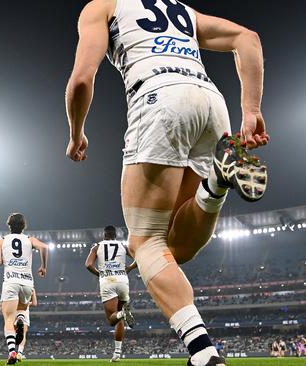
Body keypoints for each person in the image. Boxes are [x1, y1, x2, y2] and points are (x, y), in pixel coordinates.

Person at [65, 1, 268, 365]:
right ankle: (216, 184)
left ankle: (202, 353)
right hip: (211, 103)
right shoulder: (183, 10)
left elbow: (81, 78)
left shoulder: (102, 6)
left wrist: (76, 133)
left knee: (143, 242)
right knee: (176, 248)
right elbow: (247, 37)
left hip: (159, 100)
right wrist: (251, 110)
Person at [0, 213, 48, 365]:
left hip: (11, 281)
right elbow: (44, 247)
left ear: (8, 225)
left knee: (8, 318)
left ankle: (12, 352)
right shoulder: (30, 239)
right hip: (27, 283)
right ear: (24, 226)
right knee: (21, 311)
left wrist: (6, 257)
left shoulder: (2, 240)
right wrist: (43, 267)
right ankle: (21, 318)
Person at [85, 225, 137, 362]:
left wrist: (99, 274)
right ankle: (117, 354)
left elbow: (88, 264)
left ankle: (122, 313)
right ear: (115, 235)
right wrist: (130, 268)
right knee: (120, 320)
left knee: (112, 320)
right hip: (122, 280)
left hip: (107, 281)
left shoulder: (97, 246)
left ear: (104, 235)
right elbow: (139, 258)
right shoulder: (122, 246)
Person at [16, 288, 36, 361]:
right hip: (25, 316)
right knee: (23, 335)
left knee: (13, 334)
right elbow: (34, 303)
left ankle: (12, 352)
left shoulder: (15, 298)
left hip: (15, 315)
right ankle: (19, 353)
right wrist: (34, 292)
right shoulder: (27, 300)